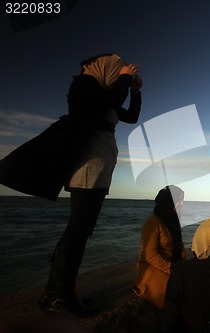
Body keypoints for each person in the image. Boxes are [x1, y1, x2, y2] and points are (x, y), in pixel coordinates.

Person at [38, 53, 142, 317]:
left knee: (80, 228)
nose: (119, 70)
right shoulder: (85, 85)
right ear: (100, 66)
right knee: (79, 229)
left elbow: (130, 116)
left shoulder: (105, 92)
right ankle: (60, 296)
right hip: (89, 162)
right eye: (115, 67)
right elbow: (111, 100)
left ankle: (56, 293)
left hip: (99, 159)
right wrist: (126, 78)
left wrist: (135, 90)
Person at [132, 185, 186, 309]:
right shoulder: (153, 222)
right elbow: (150, 255)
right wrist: (172, 269)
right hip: (153, 267)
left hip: (173, 265)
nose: (183, 203)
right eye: (180, 199)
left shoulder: (174, 220)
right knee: (172, 294)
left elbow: (179, 246)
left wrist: (183, 264)